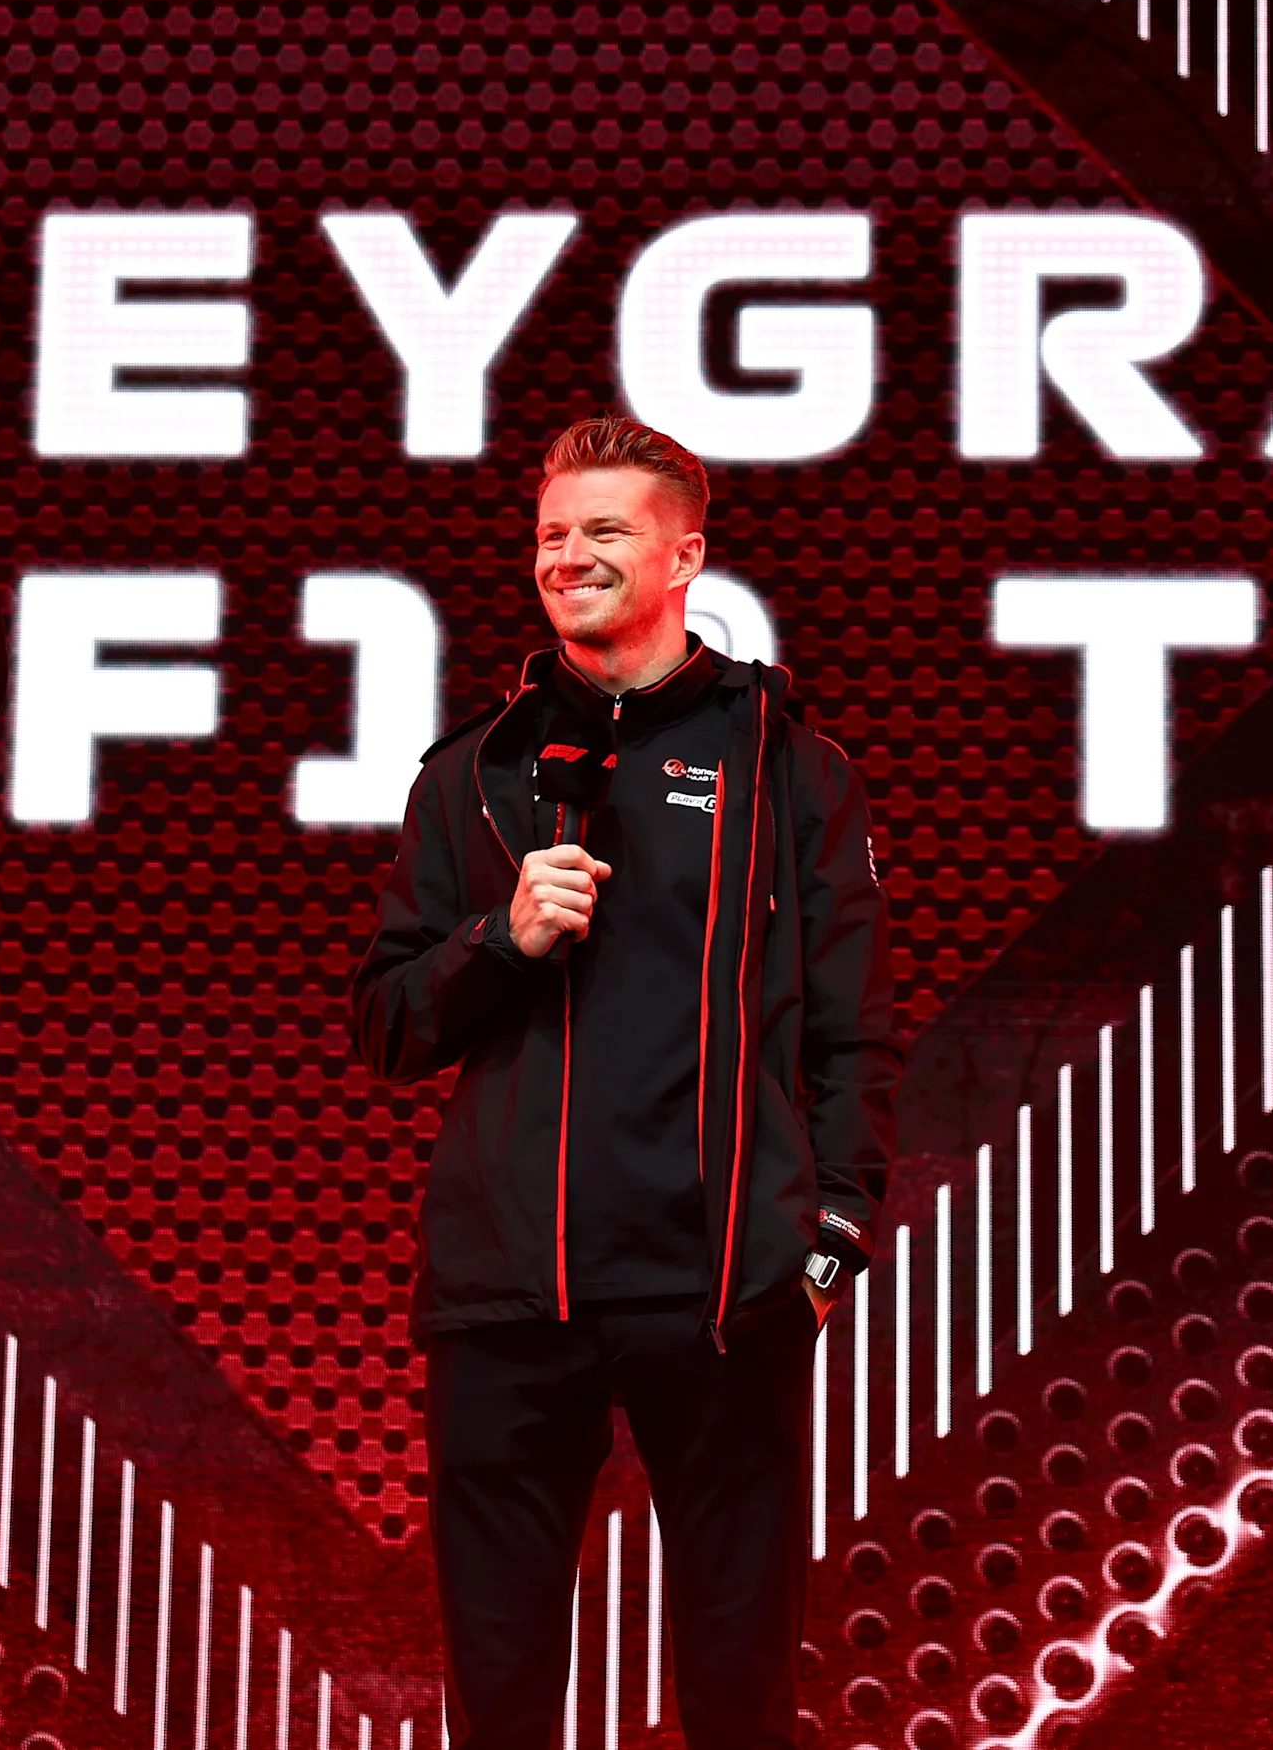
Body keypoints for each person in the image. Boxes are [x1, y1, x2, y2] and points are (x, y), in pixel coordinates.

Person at [348, 418, 900, 1749]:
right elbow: (386, 1023)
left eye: (604, 530)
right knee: (499, 1705)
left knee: (739, 1697)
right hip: (504, 1298)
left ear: (684, 557)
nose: (569, 555)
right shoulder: (474, 771)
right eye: (551, 534)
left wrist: (829, 1237)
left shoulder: (786, 762)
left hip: (721, 1294)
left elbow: (854, 1029)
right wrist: (498, 940)